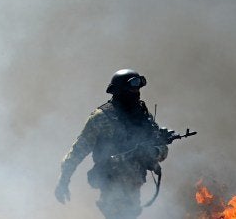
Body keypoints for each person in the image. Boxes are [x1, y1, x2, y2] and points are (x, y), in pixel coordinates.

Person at [55, 69, 169, 219]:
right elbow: (78, 150)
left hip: (135, 186)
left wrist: (152, 152)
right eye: (132, 88)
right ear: (120, 90)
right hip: (111, 185)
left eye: (138, 88)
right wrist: (63, 180)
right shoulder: (102, 118)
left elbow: (162, 149)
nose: (137, 92)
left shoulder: (143, 116)